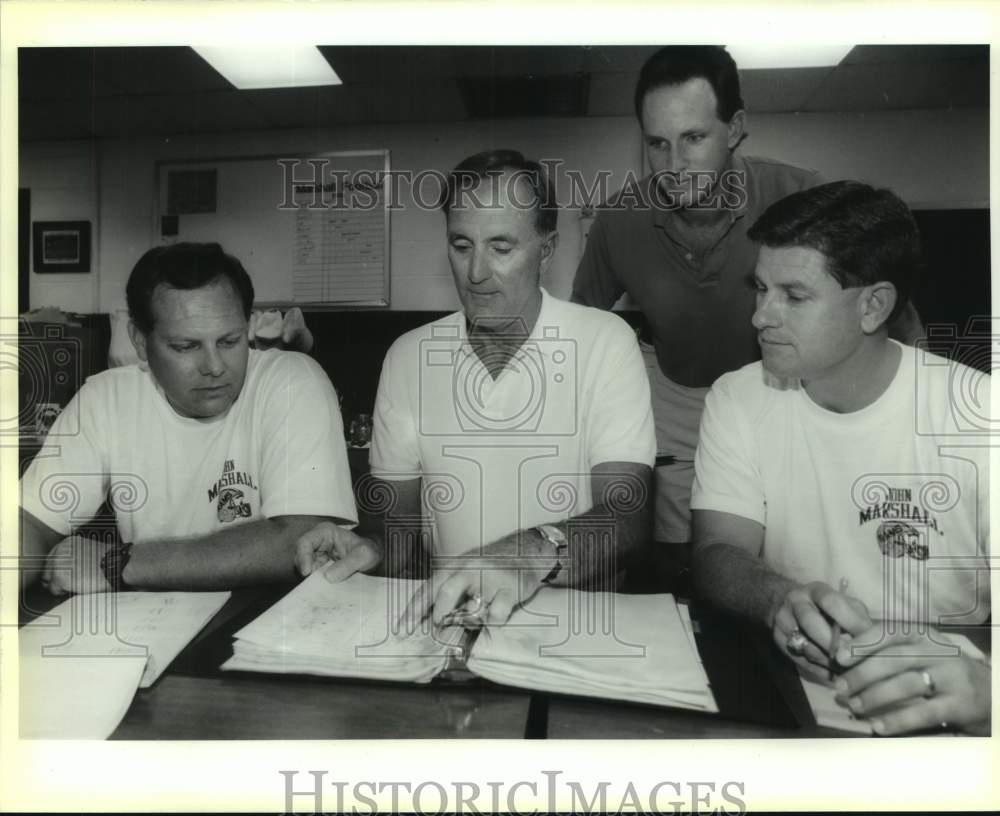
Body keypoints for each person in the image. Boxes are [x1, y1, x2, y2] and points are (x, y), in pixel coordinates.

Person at [571, 45, 922, 553]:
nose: (673, 165)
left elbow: (897, 317)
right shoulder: (619, 219)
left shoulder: (799, 196)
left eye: (693, 138)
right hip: (676, 396)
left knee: (787, 540)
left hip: (785, 389)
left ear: (733, 128)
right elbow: (582, 325)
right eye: (657, 143)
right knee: (680, 549)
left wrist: (914, 426)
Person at [296, 149, 656, 628]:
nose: (476, 273)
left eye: (501, 248)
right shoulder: (409, 357)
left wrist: (528, 552)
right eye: (461, 246)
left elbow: (628, 518)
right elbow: (399, 532)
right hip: (453, 621)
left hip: (573, 624)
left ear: (546, 251)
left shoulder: (603, 342)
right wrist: (371, 547)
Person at [690, 181, 990, 735]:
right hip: (795, 699)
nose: (761, 316)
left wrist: (985, 689)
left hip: (950, 697)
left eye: (793, 296)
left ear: (873, 306)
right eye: (760, 289)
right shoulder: (737, 397)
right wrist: (778, 599)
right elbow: (716, 551)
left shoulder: (980, 415)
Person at [20, 242, 357, 594]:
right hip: (156, 628)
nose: (214, 367)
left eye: (229, 341)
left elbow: (303, 540)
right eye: (186, 347)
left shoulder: (292, 380)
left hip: (277, 628)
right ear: (139, 341)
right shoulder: (106, 397)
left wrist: (123, 563)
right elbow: (28, 522)